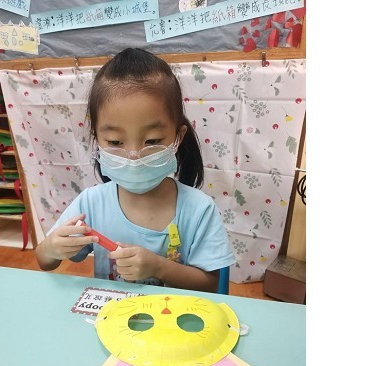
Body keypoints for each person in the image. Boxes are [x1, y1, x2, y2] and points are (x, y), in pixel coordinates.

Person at [35, 47, 235, 293]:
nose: (134, 156)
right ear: (97, 139)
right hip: (112, 315)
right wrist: (51, 248)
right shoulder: (91, 204)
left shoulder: (199, 209)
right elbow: (44, 261)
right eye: (115, 142)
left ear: (178, 137)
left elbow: (211, 285)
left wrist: (159, 267)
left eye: (152, 141)